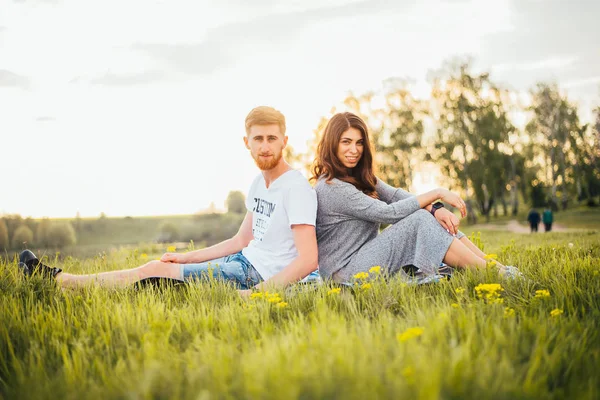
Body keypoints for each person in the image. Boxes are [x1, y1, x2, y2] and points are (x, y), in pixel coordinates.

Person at [17, 106, 319, 297]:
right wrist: (185, 257)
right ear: (246, 143)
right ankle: (171, 284)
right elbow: (241, 239)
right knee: (164, 266)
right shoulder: (259, 183)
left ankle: (62, 281)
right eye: (258, 139)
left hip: (255, 275)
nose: (265, 146)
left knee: (152, 268)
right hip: (241, 262)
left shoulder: (296, 189)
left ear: (285, 141)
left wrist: (258, 294)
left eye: (271, 138)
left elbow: (308, 260)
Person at [311, 112, 520, 284]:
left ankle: (494, 266)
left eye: (359, 143)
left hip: (363, 258)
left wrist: (436, 209)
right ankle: (494, 274)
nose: (354, 150)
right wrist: (436, 194)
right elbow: (388, 213)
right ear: (332, 144)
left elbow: (394, 195)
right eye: (346, 142)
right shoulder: (332, 187)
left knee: (429, 216)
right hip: (344, 274)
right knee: (418, 218)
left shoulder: (357, 176)